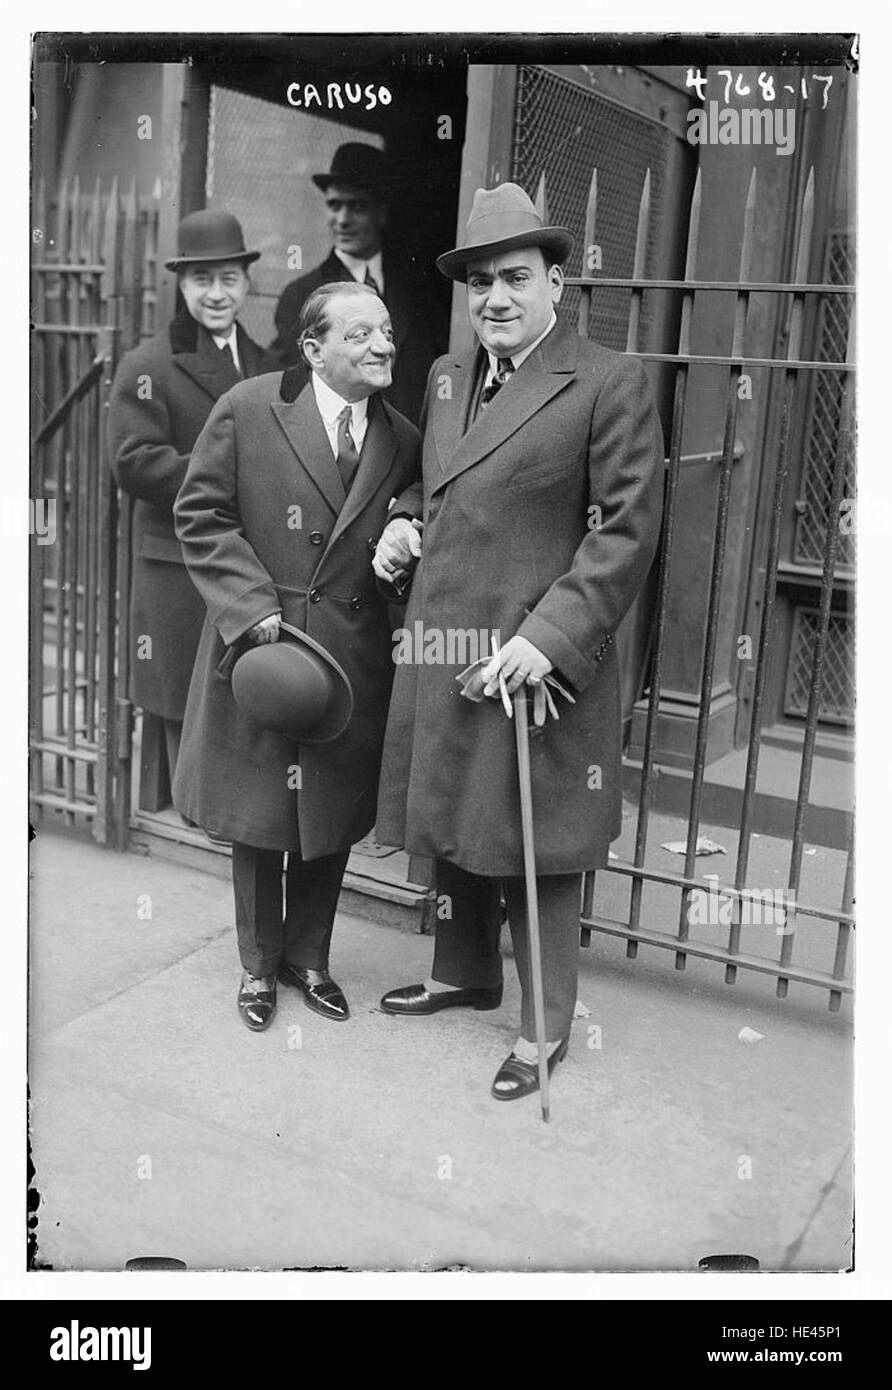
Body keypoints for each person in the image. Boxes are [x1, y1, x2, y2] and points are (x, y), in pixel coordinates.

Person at [372, 182, 664, 1102]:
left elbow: (625, 530)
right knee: (454, 811)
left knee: (539, 839)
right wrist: (400, 520)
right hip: (446, 636)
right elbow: (436, 483)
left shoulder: (608, 381)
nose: (494, 298)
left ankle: (545, 1029)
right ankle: (464, 974)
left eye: (514, 278)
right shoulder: (448, 377)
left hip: (535, 656)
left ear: (557, 283)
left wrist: (552, 636)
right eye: (480, 283)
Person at [173, 281, 420, 1032]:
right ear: (314, 350)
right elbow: (201, 515)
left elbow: (418, 499)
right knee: (259, 817)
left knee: (328, 817)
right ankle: (257, 967)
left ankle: (308, 959)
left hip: (348, 659)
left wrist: (406, 527)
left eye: (385, 331)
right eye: (361, 335)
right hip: (262, 652)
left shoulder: (403, 437)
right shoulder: (249, 409)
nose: (383, 346)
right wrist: (251, 615)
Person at [108, 210, 271, 802]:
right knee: (180, 689)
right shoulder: (149, 364)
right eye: (203, 280)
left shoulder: (264, 360)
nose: (217, 294)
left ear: (246, 283)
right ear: (182, 285)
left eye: (228, 278)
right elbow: (133, 461)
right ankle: (183, 808)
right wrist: (220, 478)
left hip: (237, 555)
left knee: (230, 691)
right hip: (176, 558)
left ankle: (215, 806)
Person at [270, 142, 441, 424]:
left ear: (381, 212)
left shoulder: (419, 292)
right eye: (334, 205)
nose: (343, 220)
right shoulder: (301, 295)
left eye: (357, 206)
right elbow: (287, 394)